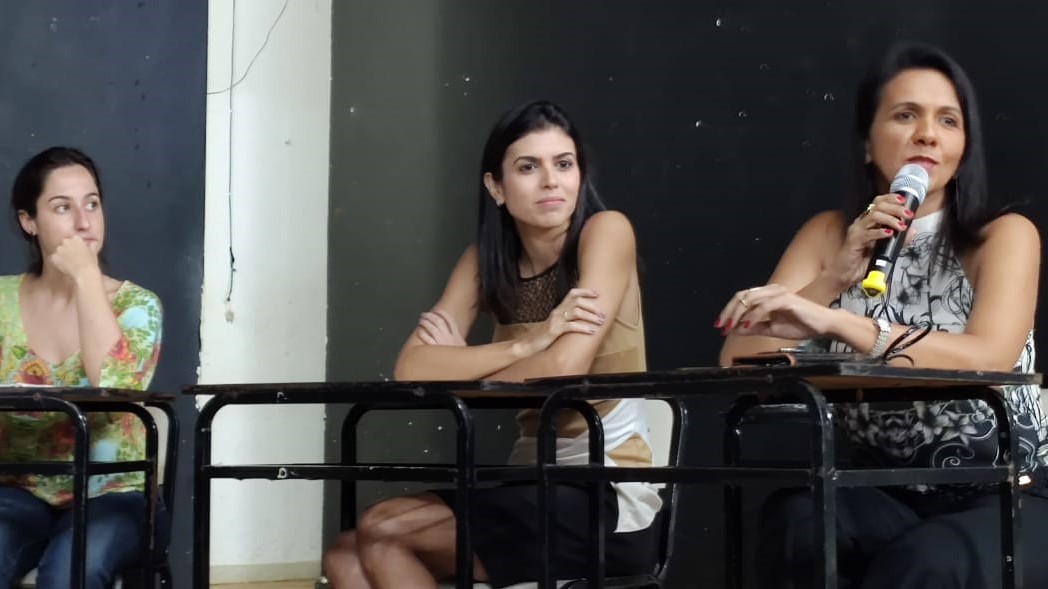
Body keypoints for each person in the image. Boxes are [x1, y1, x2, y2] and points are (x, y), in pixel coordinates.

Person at [717, 42, 1048, 588]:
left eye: (948, 120)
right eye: (905, 115)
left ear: (964, 147)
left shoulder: (1003, 236)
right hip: (885, 489)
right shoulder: (829, 234)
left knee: (928, 561)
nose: (928, 135)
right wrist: (832, 279)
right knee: (799, 520)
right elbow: (739, 358)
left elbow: (988, 356)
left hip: (1006, 488)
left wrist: (840, 323)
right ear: (867, 145)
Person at [322, 100, 660, 588]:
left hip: (605, 492)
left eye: (564, 164)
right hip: (528, 480)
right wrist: (526, 347)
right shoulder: (485, 261)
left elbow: (565, 367)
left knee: (383, 528)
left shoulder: (605, 231)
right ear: (496, 187)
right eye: (528, 167)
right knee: (345, 557)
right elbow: (412, 367)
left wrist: (459, 365)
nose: (551, 181)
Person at [0, 146, 165, 588]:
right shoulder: (1, 301)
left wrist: (87, 277)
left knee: (71, 571)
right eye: (62, 208)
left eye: (92, 204)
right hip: (17, 489)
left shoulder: (138, 305)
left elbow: (115, 385)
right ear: (29, 222)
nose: (83, 222)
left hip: (114, 492)